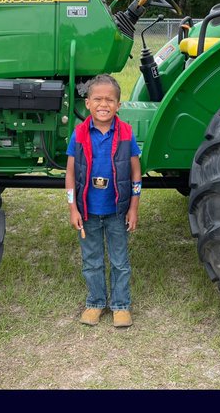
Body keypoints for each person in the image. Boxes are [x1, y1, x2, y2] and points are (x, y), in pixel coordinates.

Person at [65, 75, 141, 328]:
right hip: (87, 212)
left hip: (117, 212)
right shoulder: (78, 134)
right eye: (97, 99)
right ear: (87, 103)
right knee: (92, 260)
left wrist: (133, 207)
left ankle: (120, 305)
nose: (103, 104)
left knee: (120, 261)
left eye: (110, 100)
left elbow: (136, 174)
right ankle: (95, 302)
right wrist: (72, 207)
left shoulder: (127, 135)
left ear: (118, 105)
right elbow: (70, 174)